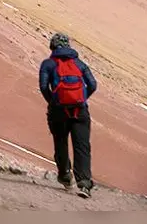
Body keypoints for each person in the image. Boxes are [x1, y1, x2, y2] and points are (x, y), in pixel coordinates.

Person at [39, 32, 97, 198]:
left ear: (52, 46)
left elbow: (44, 87)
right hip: (80, 110)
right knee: (82, 146)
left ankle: (65, 176)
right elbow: (93, 84)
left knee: (60, 142)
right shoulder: (79, 64)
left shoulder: (48, 64)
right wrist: (81, 99)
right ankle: (84, 184)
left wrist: (53, 102)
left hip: (58, 111)